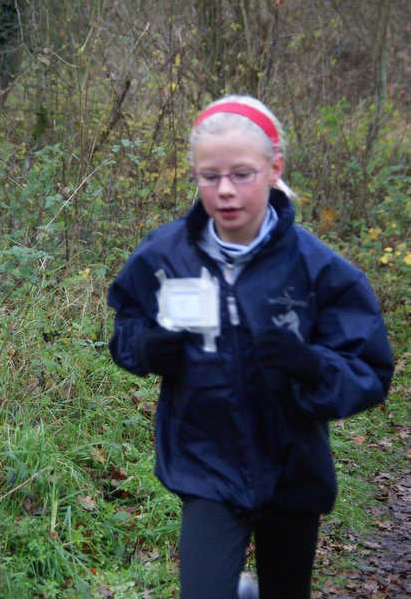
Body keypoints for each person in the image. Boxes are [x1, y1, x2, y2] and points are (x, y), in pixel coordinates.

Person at [107, 95, 394, 599]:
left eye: (242, 174)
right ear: (194, 175)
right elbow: (126, 331)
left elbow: (369, 371)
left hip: (294, 467)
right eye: (208, 176)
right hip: (205, 464)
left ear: (273, 168)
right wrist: (150, 349)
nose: (224, 191)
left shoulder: (319, 269)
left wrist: (310, 364)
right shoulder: (163, 254)